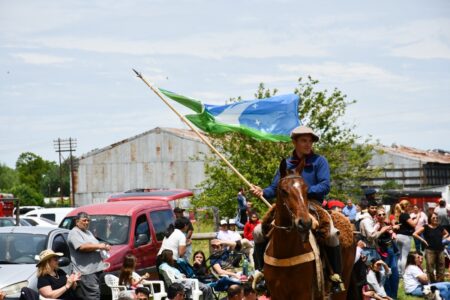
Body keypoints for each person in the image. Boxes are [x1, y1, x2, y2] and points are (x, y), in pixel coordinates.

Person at [250, 125, 344, 293]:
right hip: (287, 205)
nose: (308, 144)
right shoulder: (285, 164)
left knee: (331, 234)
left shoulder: (319, 161)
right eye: (303, 141)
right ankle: (261, 273)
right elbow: (275, 187)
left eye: (310, 141)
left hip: (312, 204)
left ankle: (335, 276)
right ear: (294, 142)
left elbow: (325, 185)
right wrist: (263, 191)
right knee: (258, 231)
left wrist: (303, 191)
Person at [67, 212, 111, 300]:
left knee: (96, 295)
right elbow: (82, 247)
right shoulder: (74, 233)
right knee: (93, 297)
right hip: (87, 273)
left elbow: (93, 245)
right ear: (77, 222)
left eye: (88, 221)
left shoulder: (87, 232)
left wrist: (104, 246)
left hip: (95, 271)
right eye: (84, 220)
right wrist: (99, 246)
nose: (87, 222)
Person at [413, 212, 449, 283]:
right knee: (430, 268)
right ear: (430, 219)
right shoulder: (426, 227)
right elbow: (414, 234)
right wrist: (423, 240)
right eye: (433, 218)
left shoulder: (440, 227)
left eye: (436, 218)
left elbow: (447, 233)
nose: (435, 219)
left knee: (441, 268)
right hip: (430, 250)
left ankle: (440, 283)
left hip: (440, 250)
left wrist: (442, 238)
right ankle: (432, 283)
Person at [373, 207, 399, 299]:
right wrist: (382, 230)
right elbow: (373, 237)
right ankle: (388, 296)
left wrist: (393, 233)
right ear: (376, 216)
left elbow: (391, 233)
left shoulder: (387, 224)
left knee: (395, 274)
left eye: (383, 214)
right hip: (383, 253)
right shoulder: (376, 226)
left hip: (391, 250)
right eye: (379, 214)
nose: (382, 216)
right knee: (386, 275)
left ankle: (394, 296)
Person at [394, 200, 419, 276]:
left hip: (398, 236)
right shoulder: (405, 214)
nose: (410, 207)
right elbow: (414, 225)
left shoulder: (399, 215)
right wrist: (418, 217)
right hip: (405, 237)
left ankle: (398, 272)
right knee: (404, 256)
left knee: (400, 256)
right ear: (406, 206)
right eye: (409, 206)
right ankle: (403, 273)